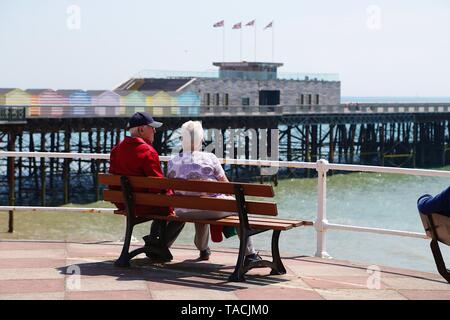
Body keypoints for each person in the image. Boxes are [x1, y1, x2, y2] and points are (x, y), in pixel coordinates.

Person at [167, 120, 261, 263]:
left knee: (199, 204)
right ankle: (250, 254)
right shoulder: (210, 158)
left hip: (183, 210)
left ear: (182, 139)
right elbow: (227, 187)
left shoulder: (172, 161)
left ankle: (203, 249)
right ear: (201, 139)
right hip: (212, 209)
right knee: (238, 207)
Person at [109, 112, 185, 261]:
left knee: (162, 203)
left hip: (126, 204)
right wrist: (172, 208)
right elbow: (158, 186)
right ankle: (157, 245)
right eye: (152, 128)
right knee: (180, 212)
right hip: (144, 205)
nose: (155, 131)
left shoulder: (116, 150)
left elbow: (112, 182)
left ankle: (155, 242)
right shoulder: (148, 151)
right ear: (141, 129)